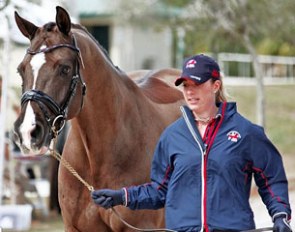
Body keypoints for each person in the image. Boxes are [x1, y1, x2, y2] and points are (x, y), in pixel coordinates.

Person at [91, 54, 292, 232]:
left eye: (197, 84)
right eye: (186, 85)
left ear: (215, 86)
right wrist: (121, 197)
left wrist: (280, 215)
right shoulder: (171, 136)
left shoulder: (246, 133)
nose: (189, 91)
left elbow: (271, 178)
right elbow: (159, 191)